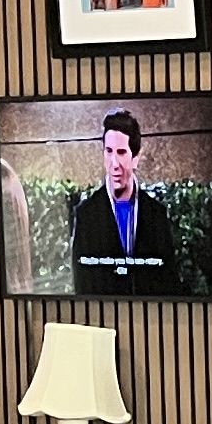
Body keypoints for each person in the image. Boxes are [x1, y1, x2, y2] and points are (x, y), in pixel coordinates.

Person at [67, 112, 180, 292]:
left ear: (135, 158)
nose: (114, 163)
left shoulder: (156, 214)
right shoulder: (87, 214)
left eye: (121, 152)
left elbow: (169, 280)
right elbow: (82, 283)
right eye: (109, 151)